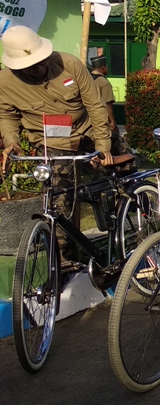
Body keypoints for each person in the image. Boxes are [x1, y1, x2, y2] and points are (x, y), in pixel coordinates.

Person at [0, 25, 113, 266]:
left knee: (122, 173)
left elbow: (95, 105)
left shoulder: (69, 64)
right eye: (30, 66)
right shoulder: (5, 82)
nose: (39, 68)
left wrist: (104, 146)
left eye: (40, 61)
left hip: (88, 129)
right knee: (59, 202)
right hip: (52, 142)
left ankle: (131, 226)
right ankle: (65, 262)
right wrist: (12, 141)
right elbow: (7, 116)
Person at [90, 55, 137, 174]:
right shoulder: (103, 82)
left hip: (87, 123)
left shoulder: (88, 80)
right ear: (103, 67)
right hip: (101, 122)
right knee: (120, 149)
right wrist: (112, 121)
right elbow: (107, 104)